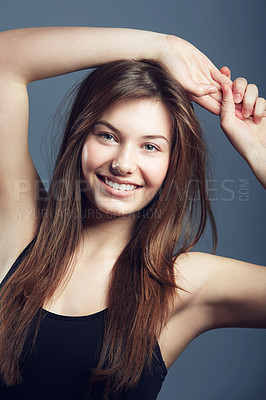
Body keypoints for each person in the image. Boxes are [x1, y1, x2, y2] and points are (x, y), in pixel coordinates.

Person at [0, 27, 265, 400]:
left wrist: (261, 156)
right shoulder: (22, 227)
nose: (123, 163)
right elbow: (4, 60)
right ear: (80, 138)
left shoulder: (179, 285)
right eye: (107, 136)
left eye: (151, 147)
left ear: (174, 163)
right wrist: (162, 48)